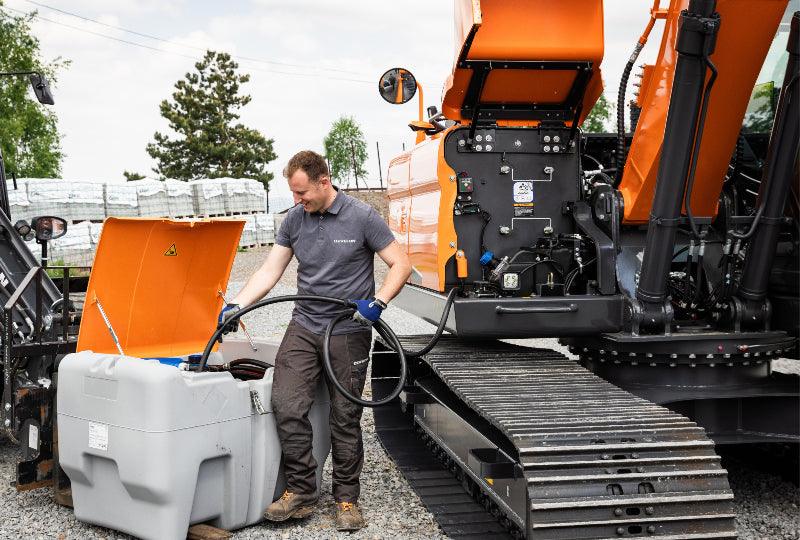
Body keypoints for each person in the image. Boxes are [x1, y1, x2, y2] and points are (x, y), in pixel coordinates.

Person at [219, 150, 411, 531]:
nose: (297, 201)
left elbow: (401, 264)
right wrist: (236, 304)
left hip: (348, 330)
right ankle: (302, 490)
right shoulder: (295, 219)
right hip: (305, 325)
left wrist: (379, 302)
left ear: (324, 182)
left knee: (345, 417)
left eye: (302, 193)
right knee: (286, 404)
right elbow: (270, 270)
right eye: (293, 193)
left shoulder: (362, 216)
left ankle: (346, 499)